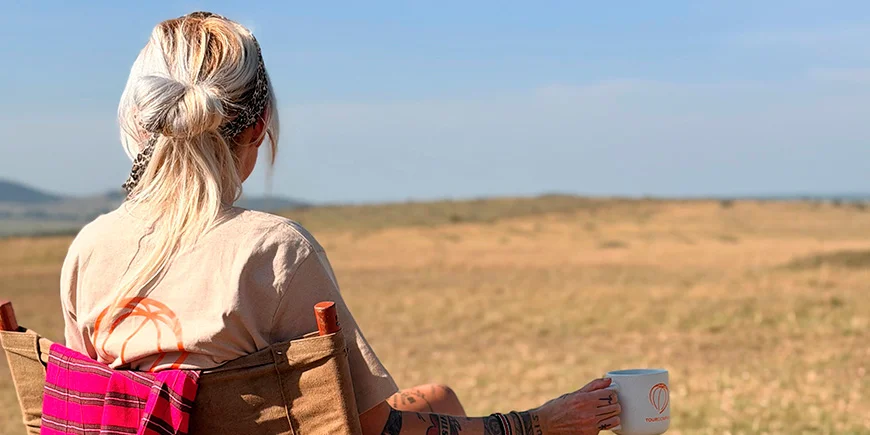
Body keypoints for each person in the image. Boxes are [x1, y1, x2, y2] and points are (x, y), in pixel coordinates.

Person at [59, 11, 621, 435]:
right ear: (257, 129)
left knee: (439, 397)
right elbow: (384, 430)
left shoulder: (89, 249)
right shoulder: (273, 251)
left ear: (140, 118)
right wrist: (537, 423)